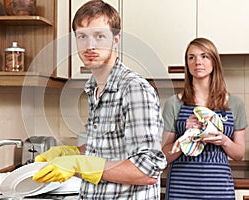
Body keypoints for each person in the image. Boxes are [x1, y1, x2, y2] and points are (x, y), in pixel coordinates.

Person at [32, 0, 167, 199]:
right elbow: (109, 147)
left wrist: (78, 165)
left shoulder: (133, 89)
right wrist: (71, 153)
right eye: (82, 36)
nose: (90, 46)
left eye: (99, 36)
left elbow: (147, 170)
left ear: (116, 39)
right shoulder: (94, 88)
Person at [162, 37, 247, 200]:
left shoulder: (234, 104)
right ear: (187, 64)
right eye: (191, 57)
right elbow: (165, 156)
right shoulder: (175, 103)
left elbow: (239, 154)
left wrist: (223, 140)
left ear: (214, 62)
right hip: (181, 189)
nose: (197, 62)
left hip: (219, 189)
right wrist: (186, 137)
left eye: (204, 56)